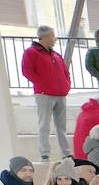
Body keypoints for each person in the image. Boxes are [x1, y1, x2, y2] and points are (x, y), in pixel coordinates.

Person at [22, 26, 72, 160]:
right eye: (52, 36)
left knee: (61, 126)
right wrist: (43, 85)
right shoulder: (31, 52)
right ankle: (45, 153)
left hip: (60, 95)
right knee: (44, 125)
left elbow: (66, 72)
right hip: (44, 95)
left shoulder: (56, 55)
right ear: (44, 37)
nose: (55, 39)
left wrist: (67, 86)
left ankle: (66, 153)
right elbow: (27, 71)